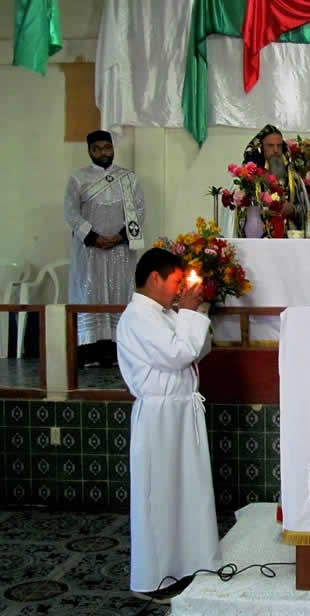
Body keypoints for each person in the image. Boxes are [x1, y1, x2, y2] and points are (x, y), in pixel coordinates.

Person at [116, 248, 221, 600]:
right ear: (154, 278)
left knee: (187, 491)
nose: (179, 290)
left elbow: (198, 350)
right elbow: (177, 354)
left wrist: (195, 312)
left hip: (180, 411)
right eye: (175, 282)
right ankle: (155, 577)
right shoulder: (137, 316)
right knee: (159, 496)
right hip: (159, 416)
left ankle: (189, 561)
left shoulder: (163, 314)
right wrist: (188, 312)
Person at [65, 130, 145, 367]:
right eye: (97, 149)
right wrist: (93, 237)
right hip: (90, 252)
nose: (103, 153)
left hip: (121, 251)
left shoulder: (129, 178)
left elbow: (139, 211)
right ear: (90, 151)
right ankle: (89, 350)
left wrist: (120, 236)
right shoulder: (78, 179)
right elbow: (70, 212)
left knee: (120, 293)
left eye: (107, 148)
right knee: (90, 294)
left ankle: (118, 349)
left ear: (112, 148)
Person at [242, 124, 308, 237]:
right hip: (259, 237)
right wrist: (263, 211)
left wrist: (292, 209)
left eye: (279, 145)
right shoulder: (249, 178)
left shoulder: (294, 177)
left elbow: (306, 210)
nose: (276, 150)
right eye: (270, 146)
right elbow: (240, 212)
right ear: (261, 148)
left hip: (290, 238)